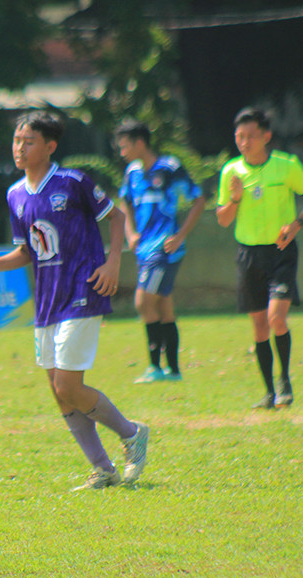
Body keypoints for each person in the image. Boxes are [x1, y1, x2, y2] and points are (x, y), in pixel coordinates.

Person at [0, 111, 149, 491]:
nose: (19, 148)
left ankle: (131, 433)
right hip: (47, 301)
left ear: (50, 147)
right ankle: (103, 469)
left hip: (82, 291)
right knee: (59, 393)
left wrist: (113, 263)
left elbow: (116, 217)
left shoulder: (72, 182)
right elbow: (26, 252)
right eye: (16, 141)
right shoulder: (14, 194)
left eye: (28, 142)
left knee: (69, 387)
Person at [215, 107, 303, 409]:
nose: (245, 142)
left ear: (266, 136)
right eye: (240, 136)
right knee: (260, 326)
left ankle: (285, 381)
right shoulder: (231, 171)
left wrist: (297, 224)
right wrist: (235, 198)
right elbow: (223, 219)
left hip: (281, 251)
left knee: (276, 318)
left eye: (251, 136)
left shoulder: (286, 166)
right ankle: (268, 393)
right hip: (248, 254)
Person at [115, 120, 207, 383]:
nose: (122, 153)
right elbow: (125, 200)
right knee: (163, 305)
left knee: (143, 302)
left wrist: (180, 236)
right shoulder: (132, 171)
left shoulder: (170, 167)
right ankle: (173, 371)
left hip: (164, 249)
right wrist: (130, 233)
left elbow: (198, 198)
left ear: (140, 143)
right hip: (144, 249)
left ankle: (155, 368)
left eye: (125, 147)